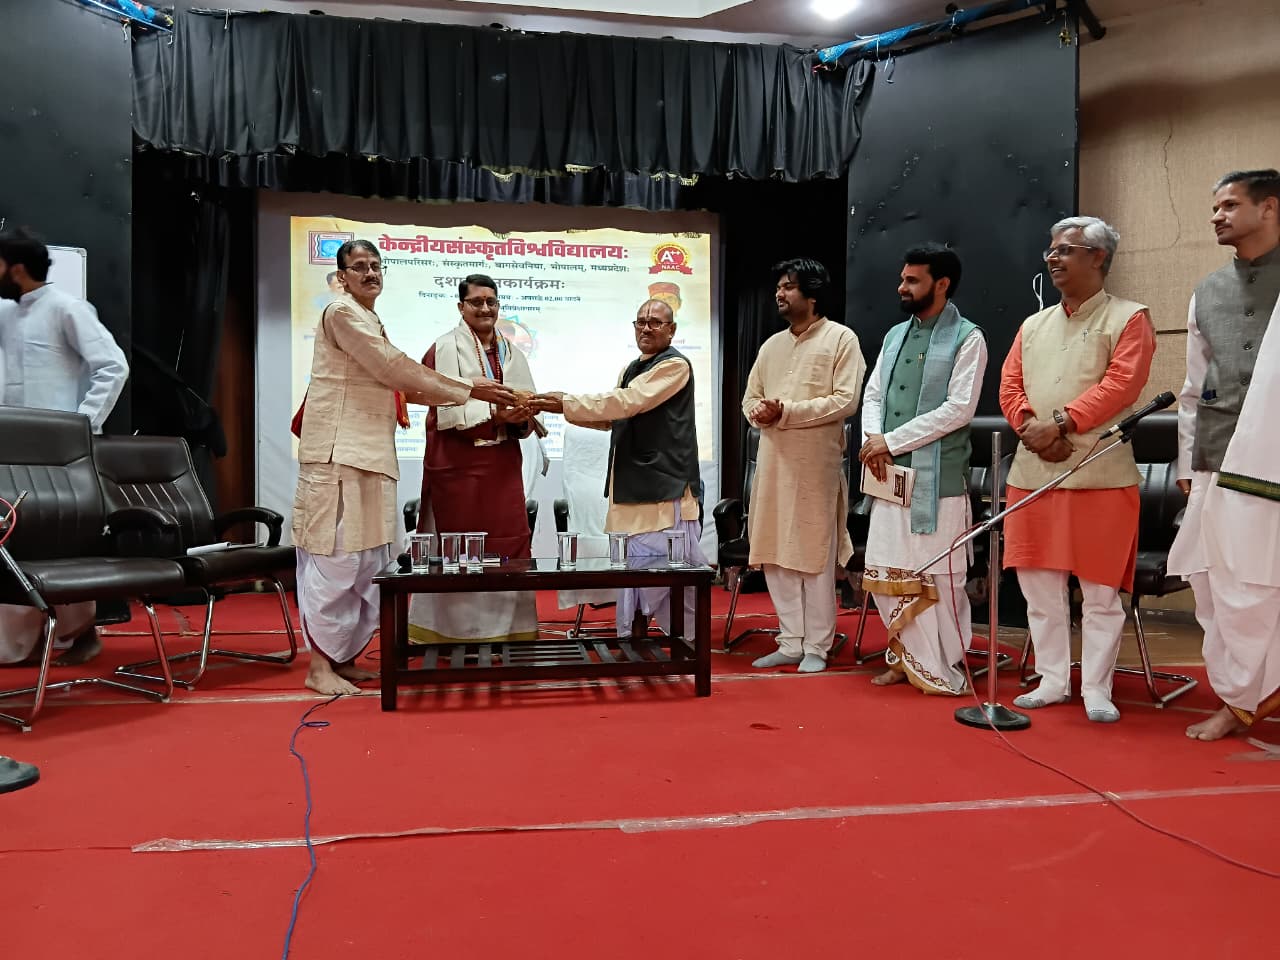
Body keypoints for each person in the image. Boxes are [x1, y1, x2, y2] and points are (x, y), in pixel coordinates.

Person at [292, 241, 515, 696]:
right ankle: (318, 666)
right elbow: (394, 368)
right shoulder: (341, 313)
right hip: (338, 453)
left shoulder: (368, 319)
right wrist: (467, 388)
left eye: (376, 266)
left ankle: (342, 658)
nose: (370, 273)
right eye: (359, 267)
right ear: (342, 277)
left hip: (371, 455)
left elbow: (402, 386)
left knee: (367, 562)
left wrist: (468, 390)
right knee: (337, 560)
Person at [999, 217, 1156, 723]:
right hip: (1032, 473)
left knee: (1100, 593)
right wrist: (1031, 429)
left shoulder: (1130, 317)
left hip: (1100, 476)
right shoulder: (1032, 325)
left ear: (1098, 257)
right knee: (1039, 589)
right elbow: (1010, 386)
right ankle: (1051, 680)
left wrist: (1061, 424)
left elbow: (1122, 386)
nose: (1053, 257)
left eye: (1066, 249)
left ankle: (1096, 688)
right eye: (1051, 249)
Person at [1168, 169, 1280, 741]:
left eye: (1230, 205)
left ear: (1269, 208)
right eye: (1215, 207)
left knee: (1262, 584)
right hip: (1217, 458)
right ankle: (1239, 700)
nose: (1217, 216)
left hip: (1275, 463)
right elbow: (1193, 388)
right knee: (1219, 586)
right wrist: (1188, 463)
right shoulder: (1207, 290)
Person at [533, 298, 705, 637]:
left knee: (666, 570)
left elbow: (628, 403)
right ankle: (636, 637)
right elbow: (615, 417)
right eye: (640, 321)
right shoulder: (631, 368)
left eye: (655, 322)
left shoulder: (674, 366)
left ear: (671, 330)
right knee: (632, 570)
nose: (646, 328)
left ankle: (686, 643)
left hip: (664, 485)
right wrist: (562, 409)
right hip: (631, 483)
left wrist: (566, 402)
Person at [858, 244, 987, 695]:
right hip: (889, 476)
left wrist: (891, 441)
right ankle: (904, 658)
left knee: (937, 579)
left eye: (912, 280)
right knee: (889, 569)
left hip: (938, 484)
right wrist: (874, 441)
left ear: (942, 284)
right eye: (903, 278)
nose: (902, 286)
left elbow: (958, 409)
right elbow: (873, 394)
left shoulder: (968, 338)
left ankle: (939, 665)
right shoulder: (895, 335)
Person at [0, 227, 129, 667]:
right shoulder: (6, 313)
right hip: (10, 450)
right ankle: (19, 646)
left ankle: (77, 633)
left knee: (58, 541)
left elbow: (113, 366)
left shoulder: (67, 308)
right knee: (14, 540)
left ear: (16, 268)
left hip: (57, 456)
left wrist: (80, 428)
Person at [742, 258, 866, 673]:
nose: (779, 293)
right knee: (775, 554)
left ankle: (817, 645)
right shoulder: (771, 346)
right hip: (773, 464)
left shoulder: (841, 339)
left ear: (812, 295)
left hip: (815, 467)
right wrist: (758, 412)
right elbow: (750, 398)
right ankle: (790, 641)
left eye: (789, 286)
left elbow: (845, 401)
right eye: (778, 286)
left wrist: (786, 411)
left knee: (813, 556)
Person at [408, 275, 540, 647]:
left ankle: (508, 634)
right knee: (460, 552)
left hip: (501, 468)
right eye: (477, 302)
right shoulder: (443, 348)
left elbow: (526, 404)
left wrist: (522, 417)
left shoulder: (511, 352)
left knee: (508, 546)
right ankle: (453, 636)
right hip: (457, 466)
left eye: (491, 302)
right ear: (461, 306)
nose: (485, 308)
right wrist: (496, 416)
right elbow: (443, 411)